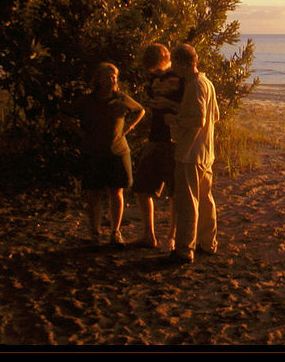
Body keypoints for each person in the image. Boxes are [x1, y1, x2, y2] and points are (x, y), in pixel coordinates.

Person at [67, 62, 145, 247]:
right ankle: (95, 234)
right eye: (108, 76)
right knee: (93, 195)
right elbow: (64, 115)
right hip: (93, 152)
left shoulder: (121, 99)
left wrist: (128, 128)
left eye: (114, 77)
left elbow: (140, 110)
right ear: (98, 79)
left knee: (117, 192)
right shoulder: (87, 101)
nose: (112, 80)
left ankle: (115, 232)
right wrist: (80, 133)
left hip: (118, 152)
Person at [164, 44, 220, 264]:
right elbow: (214, 116)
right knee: (206, 199)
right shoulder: (207, 83)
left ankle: (184, 249)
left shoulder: (195, 85)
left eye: (175, 63)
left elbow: (199, 120)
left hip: (190, 152)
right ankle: (208, 243)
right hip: (206, 152)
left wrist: (175, 120)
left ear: (184, 63)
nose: (173, 68)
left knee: (188, 202)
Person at [131, 43, 184, 250]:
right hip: (156, 138)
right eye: (152, 69)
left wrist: (166, 104)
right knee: (142, 187)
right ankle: (149, 235)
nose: (155, 72)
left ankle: (171, 237)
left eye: (157, 67)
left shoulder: (179, 79)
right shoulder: (153, 79)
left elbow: (187, 109)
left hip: (173, 140)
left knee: (175, 192)